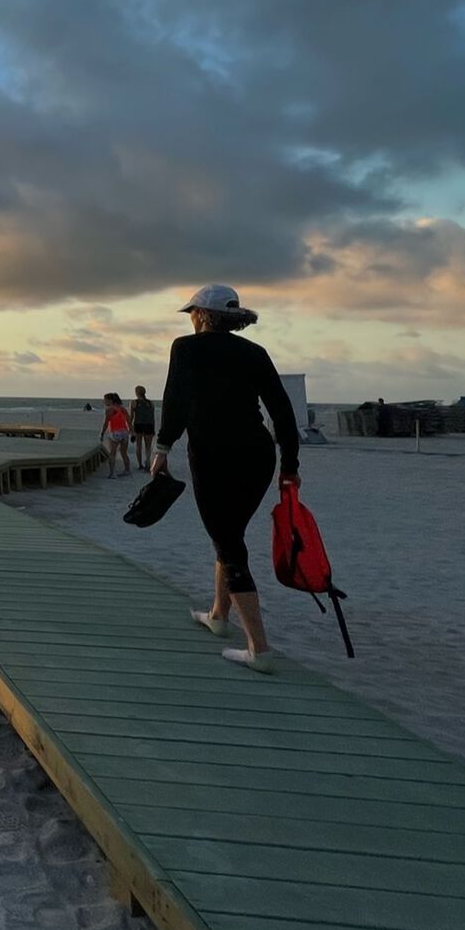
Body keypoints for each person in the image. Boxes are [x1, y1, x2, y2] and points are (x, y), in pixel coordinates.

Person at [148, 285, 300, 674]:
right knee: (229, 533)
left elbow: (175, 401)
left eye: (193, 313)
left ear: (202, 315)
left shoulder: (185, 348)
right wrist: (290, 466)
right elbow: (282, 410)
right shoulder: (255, 353)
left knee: (229, 542)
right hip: (258, 455)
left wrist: (161, 448)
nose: (192, 319)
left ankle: (259, 649)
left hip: (213, 456)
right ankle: (218, 615)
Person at [100, 392, 133, 476]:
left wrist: (102, 433)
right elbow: (129, 421)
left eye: (105, 400)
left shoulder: (109, 410)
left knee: (112, 453)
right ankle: (127, 470)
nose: (104, 402)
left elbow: (106, 423)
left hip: (115, 432)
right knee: (124, 453)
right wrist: (131, 431)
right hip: (124, 432)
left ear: (110, 400)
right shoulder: (123, 409)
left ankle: (112, 473)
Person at [129, 385, 156, 472]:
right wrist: (153, 428)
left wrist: (130, 428)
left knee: (138, 446)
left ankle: (140, 464)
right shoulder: (150, 403)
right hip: (149, 425)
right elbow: (152, 416)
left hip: (138, 425)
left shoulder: (134, 402)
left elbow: (131, 417)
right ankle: (148, 463)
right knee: (148, 446)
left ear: (136, 393)